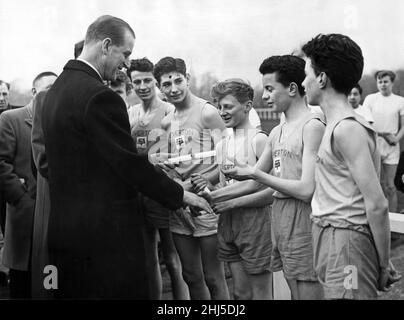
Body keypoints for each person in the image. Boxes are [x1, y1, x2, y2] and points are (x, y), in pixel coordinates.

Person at [40, 15, 211, 299]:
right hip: (104, 241)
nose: (128, 64)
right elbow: (128, 163)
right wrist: (180, 194)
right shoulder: (99, 97)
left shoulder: (56, 91)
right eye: (126, 53)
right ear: (106, 45)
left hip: (64, 234)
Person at [213, 55, 325, 300]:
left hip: (305, 225)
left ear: (293, 89)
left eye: (270, 89)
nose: (264, 96)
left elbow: (307, 189)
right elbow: (254, 182)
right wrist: (211, 197)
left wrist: (254, 172)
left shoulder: (313, 126)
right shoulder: (276, 131)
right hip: (281, 224)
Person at [301, 33, 395, 299]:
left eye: (307, 73)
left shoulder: (348, 129)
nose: (303, 81)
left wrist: (383, 262)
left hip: (346, 243)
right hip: (329, 237)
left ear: (321, 78)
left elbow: (377, 204)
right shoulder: (333, 124)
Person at [153, 56, 230, 300]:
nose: (173, 89)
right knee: (191, 276)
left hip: (206, 204)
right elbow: (177, 163)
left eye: (178, 81)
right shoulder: (167, 121)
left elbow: (229, 160)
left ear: (187, 79)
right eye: (166, 84)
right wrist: (165, 170)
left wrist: (207, 180)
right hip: (180, 205)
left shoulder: (208, 112)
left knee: (214, 278)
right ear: (160, 88)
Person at [193, 79, 274, 299]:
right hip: (228, 222)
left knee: (260, 293)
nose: (222, 112)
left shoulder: (259, 140)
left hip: (255, 223)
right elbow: (222, 186)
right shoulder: (222, 145)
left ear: (247, 106)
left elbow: (271, 192)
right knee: (240, 293)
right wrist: (205, 191)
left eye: (228, 106)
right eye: (219, 107)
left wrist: (222, 199)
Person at [126, 57, 188, 300]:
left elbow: (180, 151)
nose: (142, 86)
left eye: (147, 80)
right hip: (137, 191)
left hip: (163, 189)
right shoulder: (129, 113)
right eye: (137, 81)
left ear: (156, 81)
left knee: (173, 259)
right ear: (131, 84)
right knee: (148, 257)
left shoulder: (170, 110)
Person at [0, 71, 57, 298]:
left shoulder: (56, 121)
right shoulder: (10, 119)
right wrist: (22, 200)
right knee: (22, 286)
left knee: (49, 281)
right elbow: (1, 163)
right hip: (24, 218)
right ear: (34, 92)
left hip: (51, 219)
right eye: (47, 89)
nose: (52, 94)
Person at [363, 70, 404, 213]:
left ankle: (393, 221)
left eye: (386, 81)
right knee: (375, 185)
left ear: (392, 82)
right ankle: (376, 219)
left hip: (392, 148)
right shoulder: (370, 99)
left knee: (390, 186)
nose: (383, 84)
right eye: (380, 82)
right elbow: (368, 123)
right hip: (374, 145)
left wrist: (396, 138)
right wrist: (383, 134)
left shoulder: (400, 101)